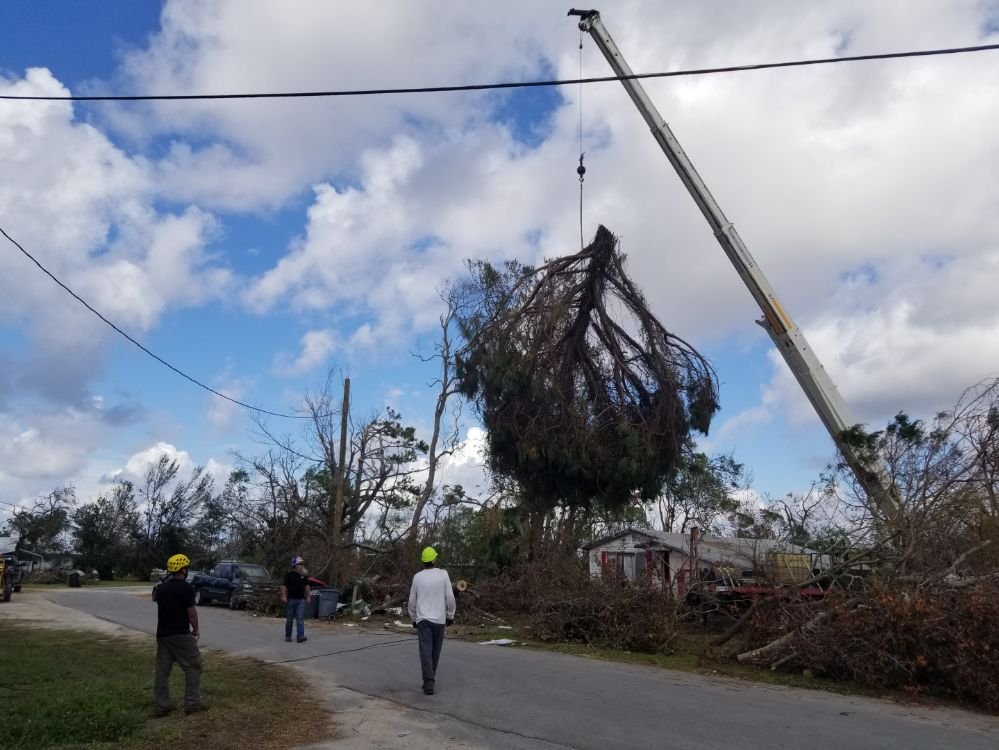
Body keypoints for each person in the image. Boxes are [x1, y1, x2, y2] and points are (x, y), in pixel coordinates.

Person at [153, 553, 205, 717]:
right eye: (186, 568)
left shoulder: (161, 588)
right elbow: (191, 613)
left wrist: (162, 583)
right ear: (183, 569)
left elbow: (155, 597)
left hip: (163, 635)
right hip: (180, 635)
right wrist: (195, 629)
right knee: (194, 665)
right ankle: (192, 703)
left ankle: (162, 705)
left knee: (162, 671)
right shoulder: (186, 588)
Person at [407, 546, 456, 695]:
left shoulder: (417, 577)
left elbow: (411, 601)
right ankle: (429, 681)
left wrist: (413, 618)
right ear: (434, 559)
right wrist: (450, 615)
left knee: (425, 651)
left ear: (423, 561)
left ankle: (429, 682)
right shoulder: (443, 575)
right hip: (439, 620)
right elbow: (450, 597)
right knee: (435, 652)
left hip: (423, 620)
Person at [280, 556, 312, 643]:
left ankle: (300, 636)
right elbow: (284, 586)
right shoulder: (289, 575)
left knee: (300, 618)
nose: (301, 565)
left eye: (302, 564)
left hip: (301, 600)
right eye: (299, 564)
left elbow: (307, 586)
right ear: (295, 565)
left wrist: (309, 596)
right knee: (290, 618)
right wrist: (283, 596)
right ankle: (288, 635)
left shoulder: (304, 575)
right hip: (291, 599)